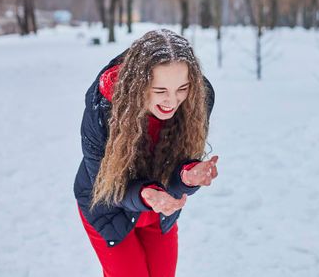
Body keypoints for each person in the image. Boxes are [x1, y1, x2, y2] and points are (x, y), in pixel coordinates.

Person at [73, 29, 218, 277]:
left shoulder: (196, 101)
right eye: (160, 91)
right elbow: (106, 186)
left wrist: (187, 176)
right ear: (137, 84)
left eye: (181, 88)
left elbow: (178, 163)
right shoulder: (102, 109)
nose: (172, 101)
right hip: (108, 206)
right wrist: (146, 194)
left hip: (158, 209)